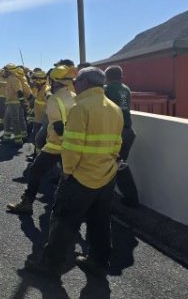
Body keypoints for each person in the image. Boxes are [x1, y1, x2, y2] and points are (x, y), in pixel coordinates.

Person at [25, 66, 124, 281]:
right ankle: (98, 263)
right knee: (99, 222)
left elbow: (72, 146)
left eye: (77, 80)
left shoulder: (81, 108)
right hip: (106, 175)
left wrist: (67, 172)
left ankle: (51, 266)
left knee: (63, 220)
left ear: (85, 83)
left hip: (81, 176)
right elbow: (117, 143)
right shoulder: (114, 108)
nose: (74, 84)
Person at [7, 65, 76, 214]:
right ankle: (68, 209)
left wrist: (65, 142)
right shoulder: (75, 96)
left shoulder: (54, 99)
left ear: (53, 80)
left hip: (56, 145)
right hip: (73, 146)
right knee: (70, 178)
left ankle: (27, 203)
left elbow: (58, 126)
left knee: (35, 171)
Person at [105, 65, 139, 206]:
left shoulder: (106, 90)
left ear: (107, 77)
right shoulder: (126, 89)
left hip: (115, 133)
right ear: (121, 76)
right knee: (119, 165)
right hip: (128, 131)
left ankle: (128, 199)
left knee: (114, 166)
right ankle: (130, 198)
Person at [0, 64, 26, 146]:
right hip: (10, 102)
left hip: (14, 103)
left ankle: (18, 140)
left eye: (6, 70)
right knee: (7, 120)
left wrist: (22, 102)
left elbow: (19, 92)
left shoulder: (13, 79)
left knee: (15, 121)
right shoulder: (9, 79)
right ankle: (7, 137)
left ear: (10, 71)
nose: (4, 72)